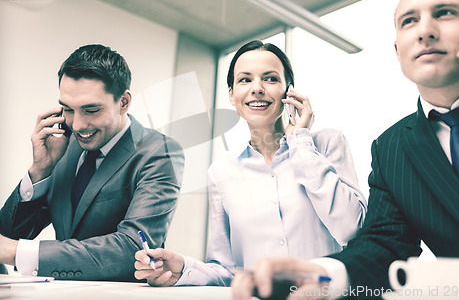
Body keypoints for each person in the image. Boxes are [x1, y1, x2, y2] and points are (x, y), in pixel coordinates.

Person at [231, 0, 459, 299]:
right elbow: (385, 243)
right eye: (410, 20)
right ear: (398, 49)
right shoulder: (392, 148)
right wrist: (322, 274)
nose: (426, 31)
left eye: (444, 13)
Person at [134, 40, 367, 287]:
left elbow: (352, 228)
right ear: (232, 95)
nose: (257, 88)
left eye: (270, 78)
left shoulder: (326, 143)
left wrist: (301, 143)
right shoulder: (221, 172)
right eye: (245, 80)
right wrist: (183, 268)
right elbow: (227, 270)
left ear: (289, 92)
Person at [0, 44, 184, 281]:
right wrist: (41, 170)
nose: (77, 126)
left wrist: (17, 253)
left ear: (124, 102)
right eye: (68, 110)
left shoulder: (160, 152)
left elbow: (133, 248)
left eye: (91, 110)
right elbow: (8, 235)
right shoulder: (64, 145)